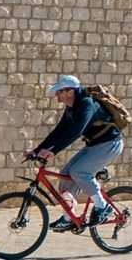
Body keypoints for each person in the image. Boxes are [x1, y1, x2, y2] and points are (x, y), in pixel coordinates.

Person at [27, 75, 123, 231]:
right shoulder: (72, 107)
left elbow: (76, 131)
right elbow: (59, 131)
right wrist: (37, 150)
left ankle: (103, 206)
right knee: (66, 176)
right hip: (94, 146)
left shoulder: (86, 104)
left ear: (70, 91)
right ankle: (69, 217)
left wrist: (54, 151)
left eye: (59, 92)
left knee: (79, 171)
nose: (57, 96)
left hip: (109, 144)